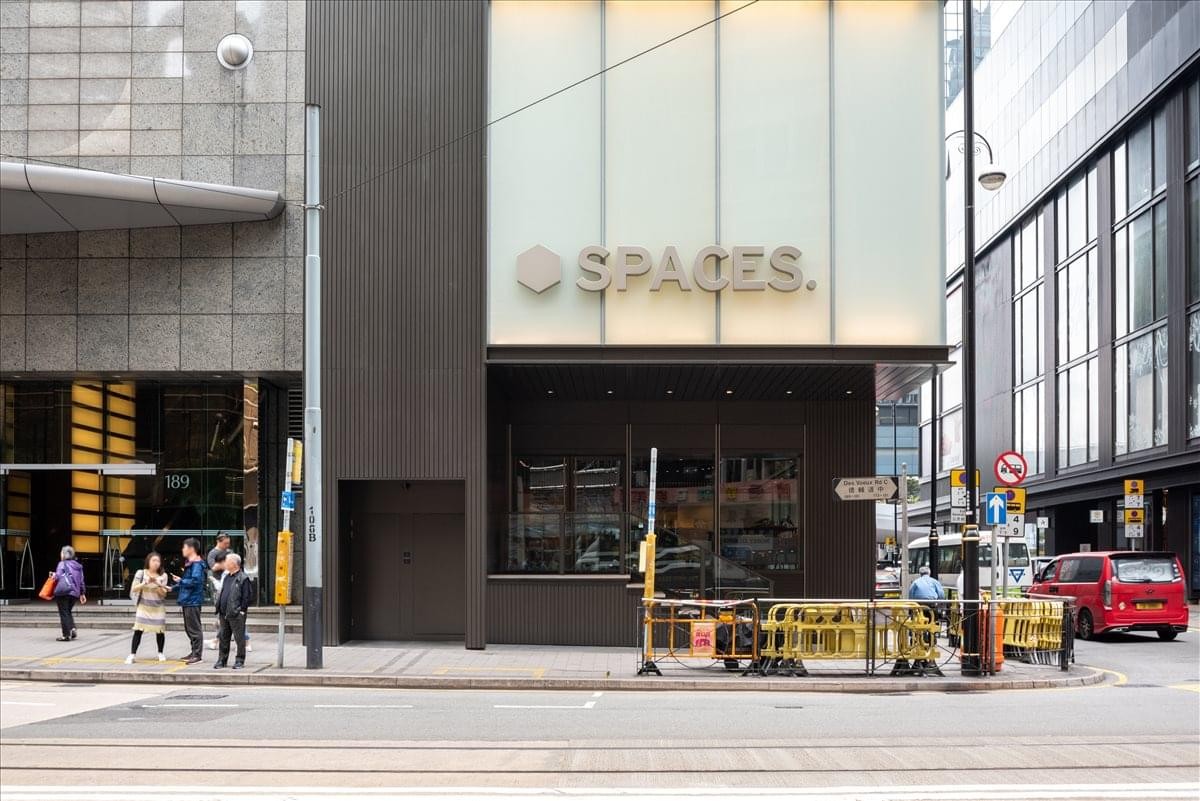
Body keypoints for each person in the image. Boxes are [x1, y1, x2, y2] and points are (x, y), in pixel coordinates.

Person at [126, 551, 169, 664]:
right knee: (138, 630)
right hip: (143, 607)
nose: (156, 563)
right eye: (153, 560)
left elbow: (163, 594)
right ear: (148, 561)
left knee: (160, 631)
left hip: (158, 607)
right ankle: (132, 654)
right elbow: (134, 588)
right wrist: (145, 582)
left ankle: (160, 652)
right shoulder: (141, 573)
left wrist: (157, 584)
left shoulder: (163, 575)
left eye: (158, 561)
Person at [171, 537, 207, 664]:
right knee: (189, 628)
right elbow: (187, 581)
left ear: (191, 549)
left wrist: (180, 581)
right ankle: (194, 652)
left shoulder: (197, 564)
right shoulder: (191, 563)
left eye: (184, 547)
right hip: (188, 600)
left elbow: (195, 582)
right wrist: (172, 588)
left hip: (193, 601)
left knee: (194, 628)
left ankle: (197, 655)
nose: (182, 549)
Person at [214, 552, 253, 670]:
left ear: (234, 563)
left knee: (239, 638)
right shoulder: (227, 577)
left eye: (227, 561)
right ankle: (222, 660)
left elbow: (247, 596)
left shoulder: (243, 578)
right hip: (224, 613)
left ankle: (240, 660)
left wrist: (242, 610)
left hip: (236, 614)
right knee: (223, 637)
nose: (225, 563)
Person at [50, 546, 87, 642]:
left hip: (64, 591)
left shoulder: (62, 564)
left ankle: (66, 635)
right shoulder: (78, 566)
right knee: (68, 611)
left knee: (64, 613)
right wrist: (82, 594)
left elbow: (57, 576)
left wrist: (52, 575)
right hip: (74, 593)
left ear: (64, 554)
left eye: (61, 552)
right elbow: (81, 581)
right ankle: (72, 629)